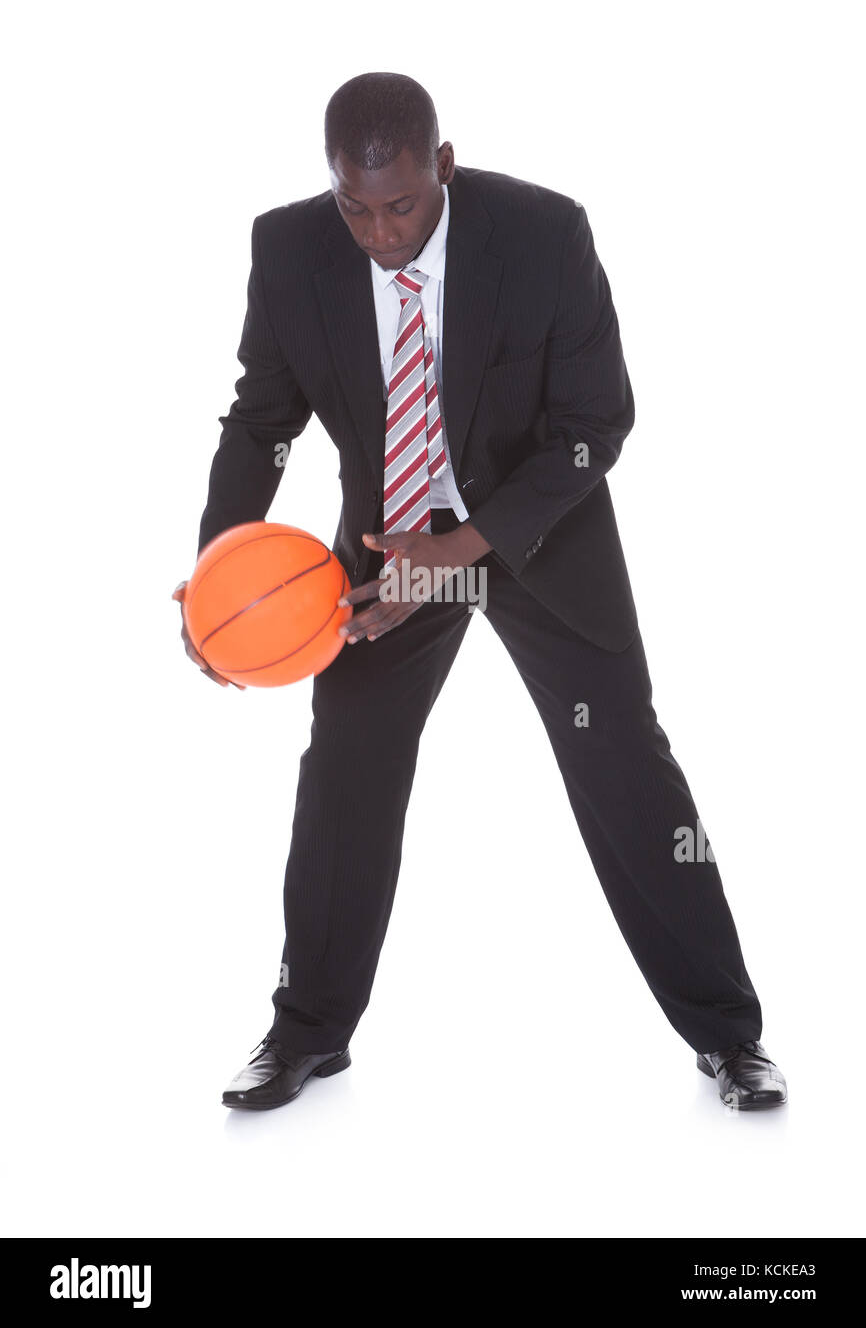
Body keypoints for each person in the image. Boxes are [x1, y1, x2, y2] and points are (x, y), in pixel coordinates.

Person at [174, 71, 787, 1114]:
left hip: (535, 531)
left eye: (401, 203)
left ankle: (728, 1034)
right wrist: (215, 574)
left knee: (622, 763)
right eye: (354, 206)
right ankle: (307, 1029)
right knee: (345, 771)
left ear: (441, 166)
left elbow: (597, 423)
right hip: (380, 550)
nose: (377, 231)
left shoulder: (543, 235)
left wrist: (458, 549)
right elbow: (258, 418)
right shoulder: (287, 250)